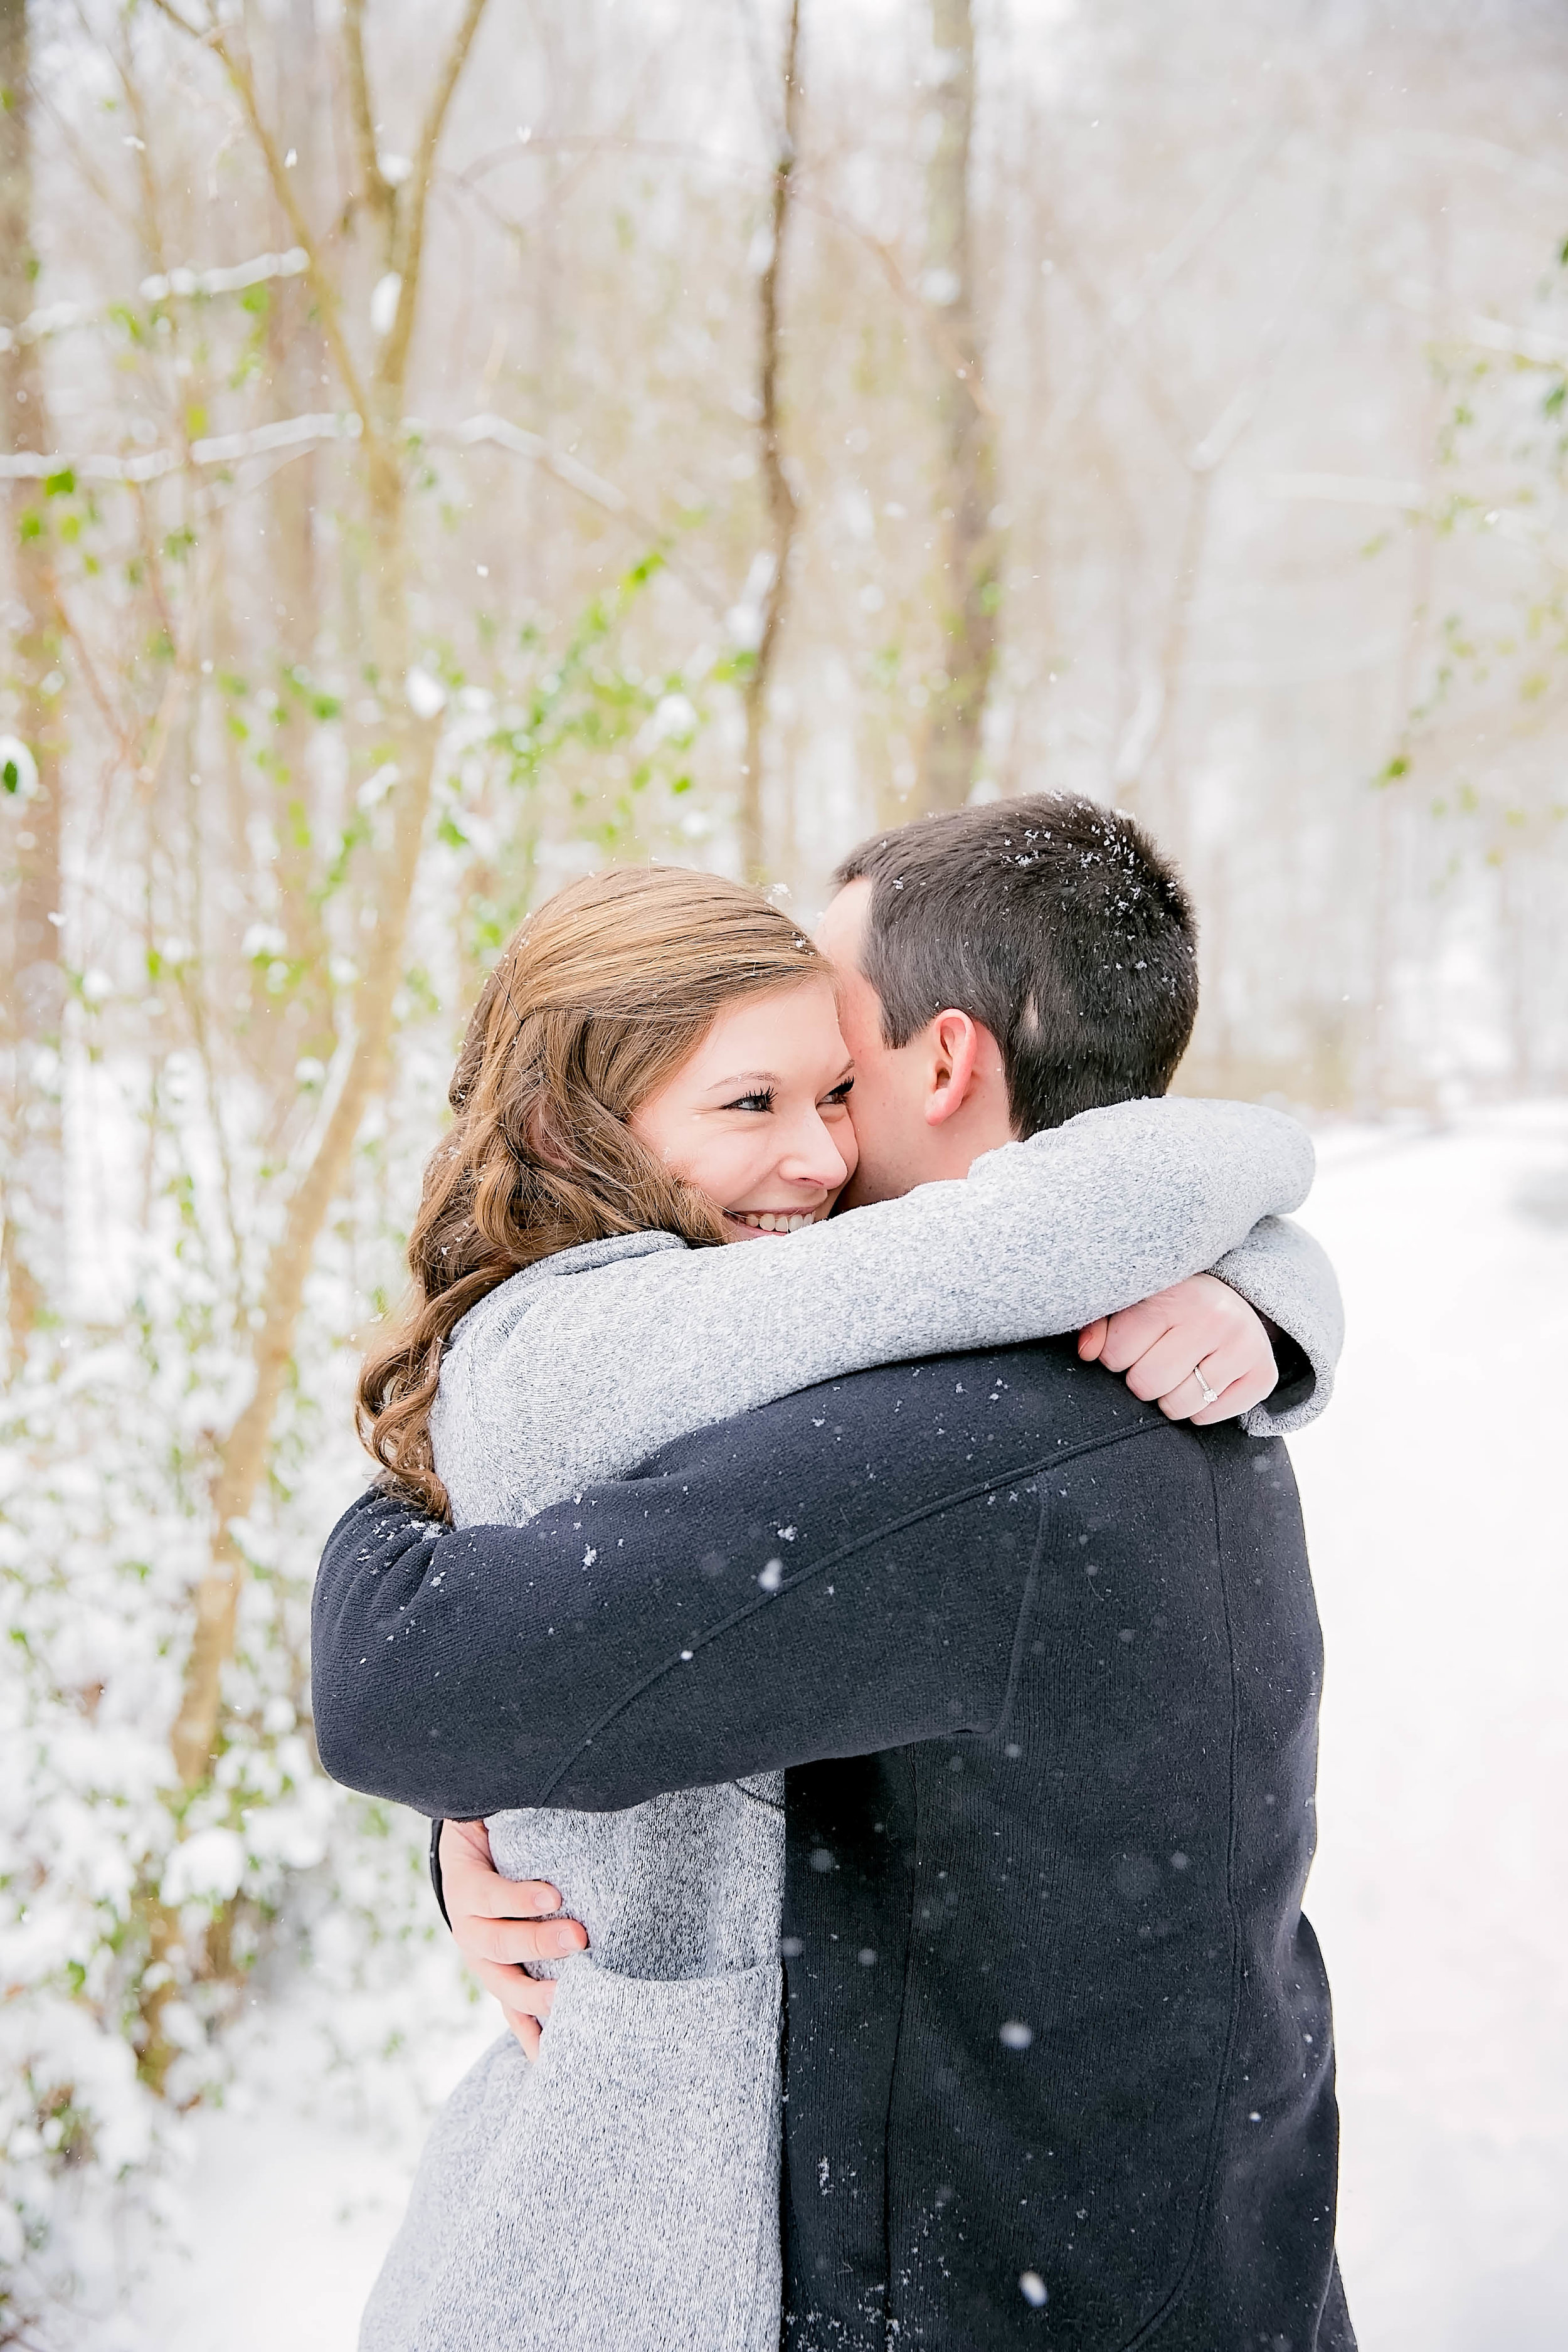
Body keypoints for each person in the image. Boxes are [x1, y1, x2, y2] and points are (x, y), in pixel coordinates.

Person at [314, 797, 1351, 2350]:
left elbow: (413, 1682)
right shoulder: (1147, 1362)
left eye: (835, 1073)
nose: (811, 1148)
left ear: (935, 1066)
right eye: (754, 1098)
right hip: (1207, 2242)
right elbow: (662, 1650)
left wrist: (390, 1539)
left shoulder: (955, 1444)